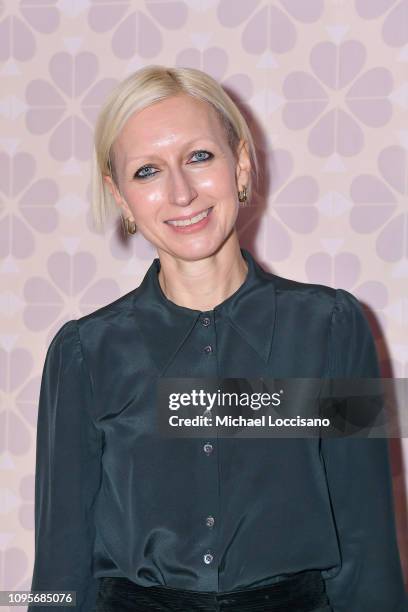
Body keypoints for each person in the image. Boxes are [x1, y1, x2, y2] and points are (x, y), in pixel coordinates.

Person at [29, 65, 407, 612]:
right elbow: (60, 570)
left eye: (199, 157)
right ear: (120, 196)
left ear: (242, 164)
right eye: (147, 171)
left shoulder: (333, 326)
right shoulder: (84, 353)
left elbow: (367, 549)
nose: (180, 192)